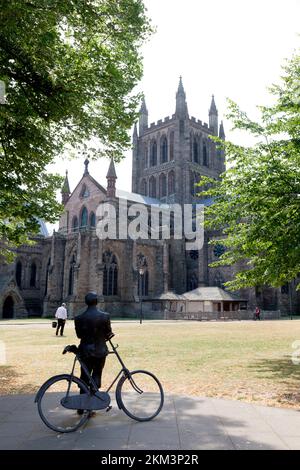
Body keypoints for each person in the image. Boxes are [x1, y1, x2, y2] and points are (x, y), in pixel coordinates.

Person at [74, 292, 113, 415]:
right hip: (100, 351)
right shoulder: (105, 316)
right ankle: (91, 407)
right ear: (97, 302)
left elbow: (79, 335)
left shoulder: (79, 318)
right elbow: (108, 333)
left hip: (85, 350)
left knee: (84, 377)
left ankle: (81, 406)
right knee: (96, 374)